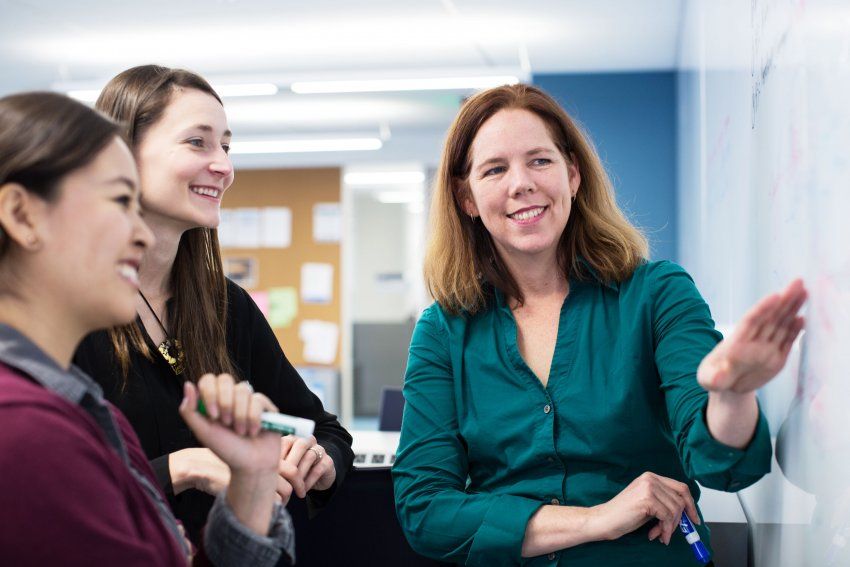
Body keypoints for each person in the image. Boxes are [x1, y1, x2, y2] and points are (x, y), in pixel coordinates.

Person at [392, 84, 808, 566]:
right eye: (495, 169)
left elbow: (723, 465)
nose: (521, 183)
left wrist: (731, 395)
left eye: (540, 161)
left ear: (573, 175)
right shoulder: (443, 330)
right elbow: (425, 509)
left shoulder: (657, 294)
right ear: (467, 197)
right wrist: (597, 518)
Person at [0, 91, 293, 565]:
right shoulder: (26, 431)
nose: (138, 233)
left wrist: (253, 480)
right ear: (21, 215)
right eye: (119, 200)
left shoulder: (85, 411)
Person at [72, 64, 354, 545]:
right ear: (122, 155)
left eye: (226, 145)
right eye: (197, 142)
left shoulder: (226, 306)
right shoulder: (68, 307)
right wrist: (175, 469)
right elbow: (45, 482)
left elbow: (322, 428)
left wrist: (317, 460)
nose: (224, 165)